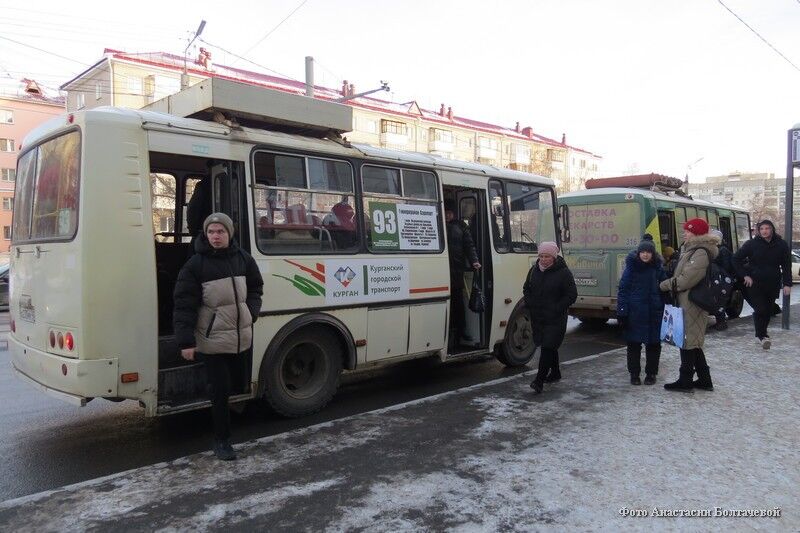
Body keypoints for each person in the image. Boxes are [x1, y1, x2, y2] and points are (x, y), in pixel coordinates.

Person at [173, 213, 264, 460]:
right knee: (220, 390)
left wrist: (251, 312)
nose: (215, 236)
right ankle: (221, 441)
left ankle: (225, 423)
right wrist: (186, 342)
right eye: (211, 232)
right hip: (212, 340)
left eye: (220, 232)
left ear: (229, 233)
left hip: (240, 337)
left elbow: (256, 288)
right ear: (206, 234)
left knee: (237, 384)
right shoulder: (196, 265)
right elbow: (184, 305)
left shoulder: (243, 259)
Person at [659, 218, 718, 392]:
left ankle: (685, 381)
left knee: (687, 341)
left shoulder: (699, 252)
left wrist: (664, 285)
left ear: (696, 233)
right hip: (689, 301)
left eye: (687, 230)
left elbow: (687, 279)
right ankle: (704, 380)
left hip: (692, 302)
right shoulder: (691, 249)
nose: (684, 233)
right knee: (693, 342)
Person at [524, 241, 578, 394]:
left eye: (547, 256)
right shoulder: (534, 270)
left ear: (554, 257)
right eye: (541, 256)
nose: (543, 259)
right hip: (538, 317)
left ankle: (539, 381)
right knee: (548, 346)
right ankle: (555, 372)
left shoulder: (563, 273)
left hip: (555, 318)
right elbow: (526, 288)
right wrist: (529, 302)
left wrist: (557, 307)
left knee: (548, 347)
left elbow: (571, 295)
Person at [732, 219, 792, 349]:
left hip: (773, 282)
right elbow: (736, 259)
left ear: (772, 229)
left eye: (767, 228)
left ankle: (761, 334)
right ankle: (762, 336)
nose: (764, 231)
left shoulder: (781, 245)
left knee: (768, 310)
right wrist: (745, 275)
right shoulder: (751, 244)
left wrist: (788, 284)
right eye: (762, 229)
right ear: (759, 231)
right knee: (760, 309)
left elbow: (787, 265)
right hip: (755, 282)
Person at [617, 237, 667, 385]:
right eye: (643, 252)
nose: (645, 255)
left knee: (653, 345)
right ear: (638, 253)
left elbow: (665, 288)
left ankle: (651, 374)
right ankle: (634, 374)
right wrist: (622, 312)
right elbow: (623, 290)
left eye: (648, 252)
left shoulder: (658, 268)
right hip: (635, 313)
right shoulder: (631, 269)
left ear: (653, 254)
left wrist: (665, 306)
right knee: (633, 345)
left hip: (654, 313)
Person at [445, 200, 481, 348]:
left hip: (456, 271)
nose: (447, 215)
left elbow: (469, 246)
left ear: (454, 213)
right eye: (445, 212)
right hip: (442, 270)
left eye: (449, 213)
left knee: (458, 303)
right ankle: (449, 332)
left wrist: (475, 261)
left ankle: (461, 330)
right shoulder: (437, 224)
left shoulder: (461, 227)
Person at [709, 229, 734, 331]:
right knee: (718, 300)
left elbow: (727, 266)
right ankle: (720, 321)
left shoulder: (722, 250)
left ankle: (721, 322)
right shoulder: (718, 249)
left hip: (723, 280)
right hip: (720, 279)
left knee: (720, 301)